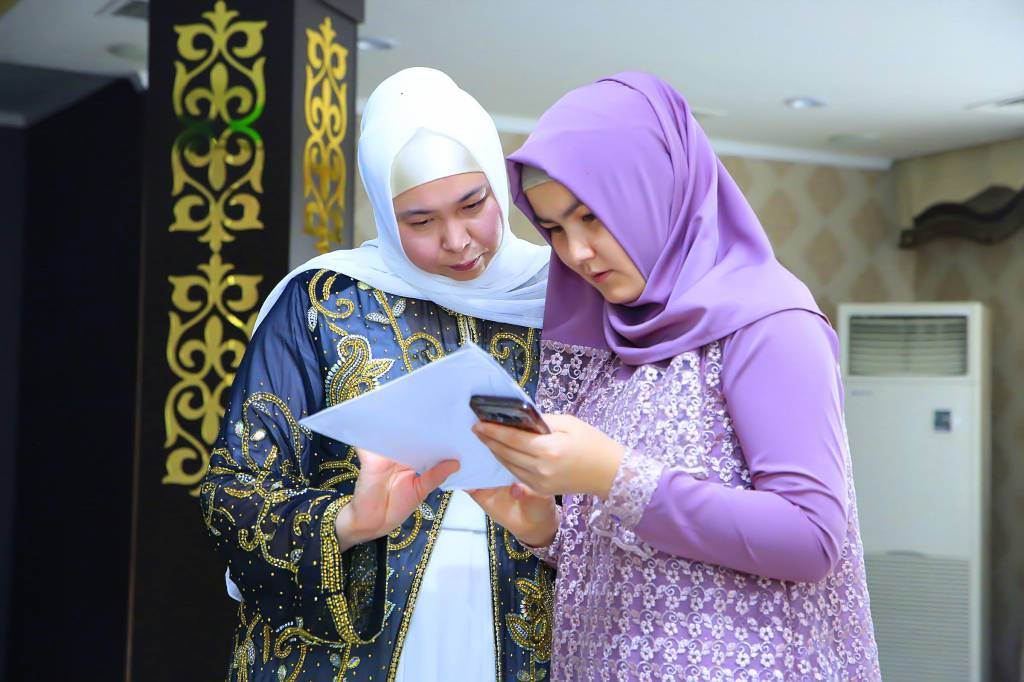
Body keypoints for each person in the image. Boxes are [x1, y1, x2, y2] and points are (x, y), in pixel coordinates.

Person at [470, 72, 880, 681]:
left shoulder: (770, 324)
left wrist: (614, 475)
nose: (576, 252)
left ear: (654, 191)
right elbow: (644, 560)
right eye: (554, 228)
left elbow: (811, 538)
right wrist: (547, 530)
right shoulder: (611, 338)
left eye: (591, 217)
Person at [200, 67, 553, 682]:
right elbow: (235, 492)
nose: (456, 240)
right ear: (386, 218)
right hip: (344, 647)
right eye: (419, 221)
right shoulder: (324, 302)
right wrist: (350, 522)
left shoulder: (561, 303)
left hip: (528, 624)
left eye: (473, 205)